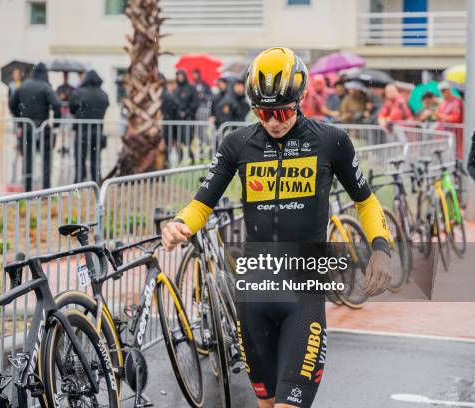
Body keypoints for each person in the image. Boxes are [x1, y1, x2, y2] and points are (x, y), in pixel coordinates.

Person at [161, 47, 391, 408]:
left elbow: (366, 200)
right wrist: (178, 224)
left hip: (303, 288)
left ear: (300, 100)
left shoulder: (331, 141)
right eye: (264, 113)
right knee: (267, 404)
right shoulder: (237, 143)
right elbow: (202, 203)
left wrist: (381, 247)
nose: (274, 121)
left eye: (283, 111)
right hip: (255, 290)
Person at [9, 63, 61, 191]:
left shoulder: (23, 85)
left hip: (27, 127)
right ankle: (46, 188)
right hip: (43, 127)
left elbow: (11, 103)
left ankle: (28, 189)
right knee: (46, 159)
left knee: (27, 158)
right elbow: (57, 104)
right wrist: (56, 123)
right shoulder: (45, 86)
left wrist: (20, 119)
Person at [68, 70, 110, 183]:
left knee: (79, 159)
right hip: (97, 131)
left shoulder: (78, 92)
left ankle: (78, 184)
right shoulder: (103, 94)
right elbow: (105, 107)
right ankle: (95, 184)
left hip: (82, 131)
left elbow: (71, 108)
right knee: (95, 159)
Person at [175, 69, 199, 163]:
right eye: (178, 76)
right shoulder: (176, 89)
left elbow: (195, 103)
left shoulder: (191, 88)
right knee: (178, 139)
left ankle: (191, 157)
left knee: (188, 139)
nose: (180, 78)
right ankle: (179, 158)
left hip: (189, 118)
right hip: (177, 119)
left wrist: (187, 112)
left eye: (181, 76)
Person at [436, 81, 465, 159]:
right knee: (445, 155)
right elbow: (438, 117)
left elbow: (457, 117)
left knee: (455, 156)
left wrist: (441, 116)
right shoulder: (442, 103)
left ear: (449, 90)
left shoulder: (457, 101)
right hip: (444, 135)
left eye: (444, 90)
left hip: (455, 135)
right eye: (441, 91)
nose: (442, 93)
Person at [161, 77, 181, 163]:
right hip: (169, 122)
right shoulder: (167, 95)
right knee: (169, 142)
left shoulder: (170, 95)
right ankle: (168, 159)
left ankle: (171, 159)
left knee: (173, 141)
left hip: (172, 122)